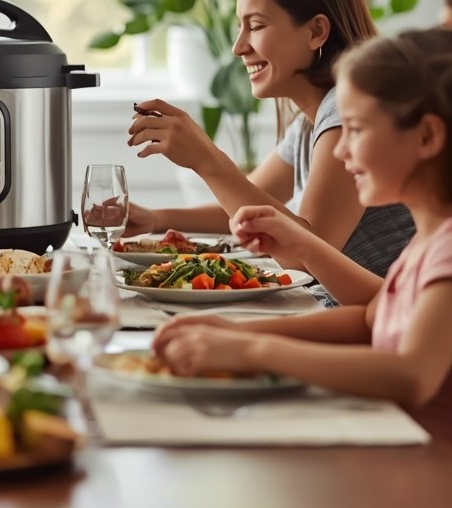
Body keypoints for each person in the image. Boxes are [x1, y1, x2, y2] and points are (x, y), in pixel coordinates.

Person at [152, 29, 452, 440]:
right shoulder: (428, 241)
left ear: (427, 137)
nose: (341, 150)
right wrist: (232, 331)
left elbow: (412, 376)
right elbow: (370, 317)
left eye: (357, 130)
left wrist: (253, 351)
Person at [126, 0, 415, 304]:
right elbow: (242, 210)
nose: (238, 47)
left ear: (317, 31)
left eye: (257, 26)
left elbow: (304, 253)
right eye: (239, 27)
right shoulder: (310, 123)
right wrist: (155, 219)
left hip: (380, 328)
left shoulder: (345, 115)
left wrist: (206, 159)